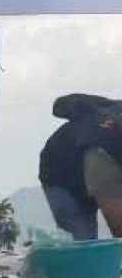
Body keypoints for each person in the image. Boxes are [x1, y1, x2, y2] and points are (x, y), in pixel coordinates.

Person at [40, 93, 122, 239]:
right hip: (62, 175)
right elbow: (118, 226)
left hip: (97, 164)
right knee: (83, 243)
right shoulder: (105, 149)